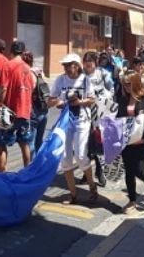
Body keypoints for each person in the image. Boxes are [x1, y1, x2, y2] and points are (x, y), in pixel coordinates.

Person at [48, 53, 98, 204]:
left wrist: (79, 102)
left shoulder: (85, 80)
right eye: (65, 65)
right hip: (65, 123)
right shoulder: (60, 80)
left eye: (69, 65)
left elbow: (92, 99)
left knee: (81, 156)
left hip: (82, 121)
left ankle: (92, 187)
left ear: (76, 65)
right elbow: (50, 100)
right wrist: (59, 102)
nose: (67, 68)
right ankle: (73, 195)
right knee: (65, 159)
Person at [0, 41, 35, 172]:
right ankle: (27, 172)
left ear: (11, 51)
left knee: (2, 143)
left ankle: (2, 173)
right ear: (23, 52)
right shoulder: (28, 68)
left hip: (8, 110)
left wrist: (0, 103)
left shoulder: (7, 66)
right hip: (25, 110)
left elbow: (3, 89)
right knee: (24, 143)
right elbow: (33, 87)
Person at [117, 70, 144, 214]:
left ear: (136, 83)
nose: (126, 87)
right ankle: (132, 200)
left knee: (139, 169)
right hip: (127, 141)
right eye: (124, 85)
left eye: (129, 84)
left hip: (142, 141)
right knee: (129, 171)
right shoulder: (123, 99)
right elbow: (118, 116)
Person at [82, 51, 113, 188]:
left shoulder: (103, 74)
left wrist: (103, 97)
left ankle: (100, 172)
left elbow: (112, 90)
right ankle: (86, 172)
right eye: (86, 65)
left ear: (95, 63)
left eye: (90, 65)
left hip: (101, 112)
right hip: (84, 113)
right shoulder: (80, 75)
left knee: (99, 144)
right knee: (85, 144)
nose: (88, 68)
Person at [22, 51, 50, 153]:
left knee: (30, 142)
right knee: (39, 141)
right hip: (44, 109)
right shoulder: (39, 71)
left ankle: (32, 167)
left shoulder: (27, 73)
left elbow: (28, 92)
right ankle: (40, 165)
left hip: (33, 111)